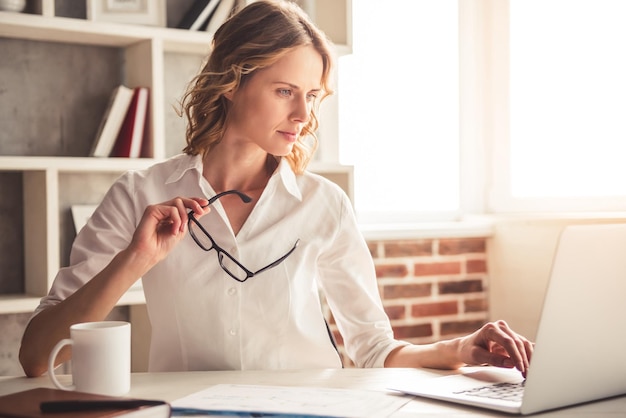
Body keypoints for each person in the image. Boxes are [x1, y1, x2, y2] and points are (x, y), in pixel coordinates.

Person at [19, 0, 532, 378]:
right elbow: (37, 355)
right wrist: (135, 259)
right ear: (231, 82)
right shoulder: (139, 194)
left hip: (316, 412)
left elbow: (374, 349)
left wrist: (460, 348)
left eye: (311, 95)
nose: (303, 115)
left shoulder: (325, 205)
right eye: (285, 91)